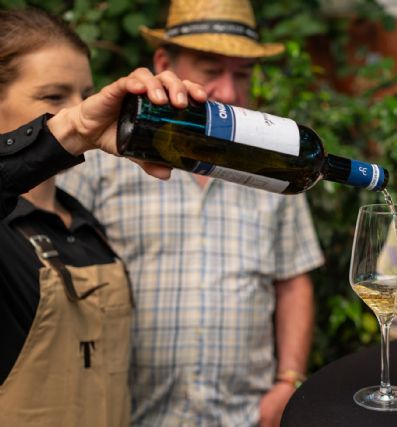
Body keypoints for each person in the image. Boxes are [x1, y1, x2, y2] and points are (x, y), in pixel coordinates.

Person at [57, 1, 325, 426]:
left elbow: (293, 280)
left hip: (244, 417)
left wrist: (288, 381)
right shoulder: (105, 159)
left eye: (242, 74)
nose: (232, 93)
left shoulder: (274, 167)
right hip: (126, 414)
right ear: (164, 62)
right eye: (210, 70)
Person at [0, 7, 206, 427]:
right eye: (54, 97)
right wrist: (68, 131)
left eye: (85, 93)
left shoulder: (86, 228)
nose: (82, 108)